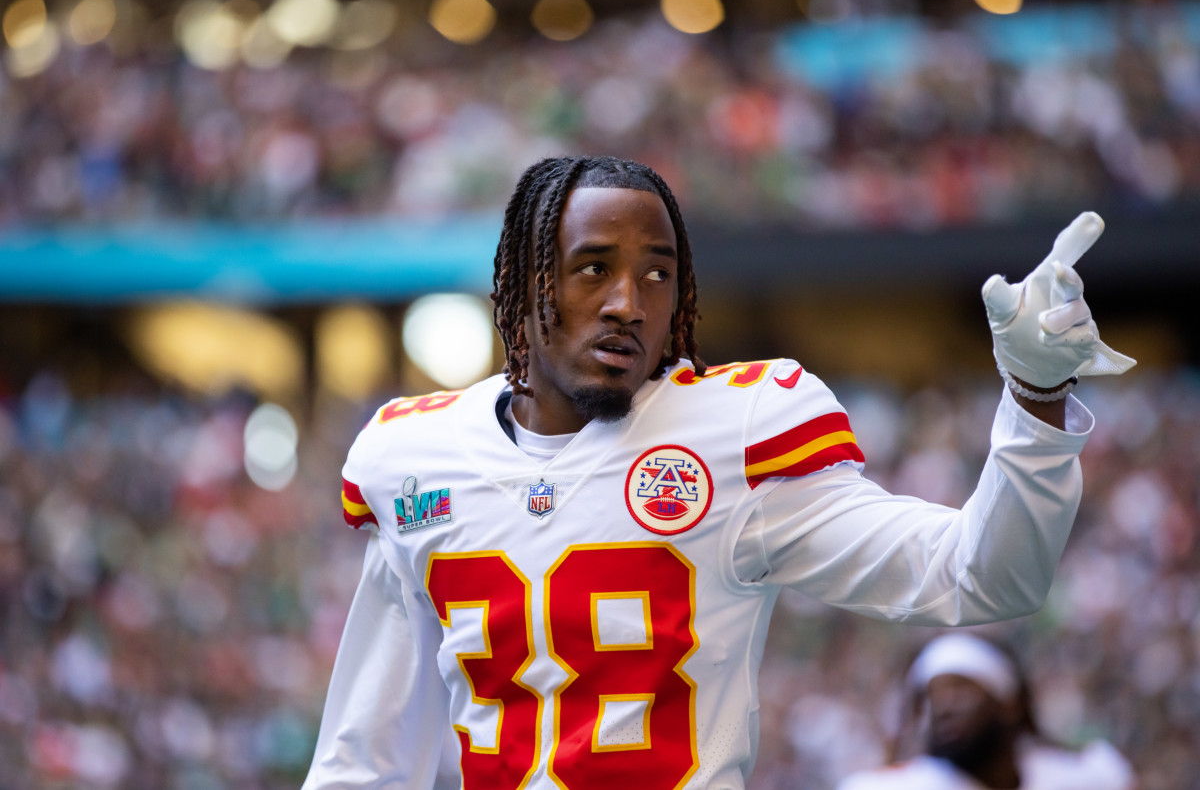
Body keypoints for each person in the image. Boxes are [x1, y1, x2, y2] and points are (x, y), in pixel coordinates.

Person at [302, 155, 1134, 789]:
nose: (630, 300)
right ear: (526, 283)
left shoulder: (737, 434)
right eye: (595, 266)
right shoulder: (414, 459)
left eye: (658, 273)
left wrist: (1034, 397)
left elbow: (980, 577)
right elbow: (363, 762)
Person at [836, 633, 1136, 789]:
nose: (943, 707)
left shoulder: (1086, 776)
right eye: (932, 696)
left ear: (1009, 704)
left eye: (960, 690)